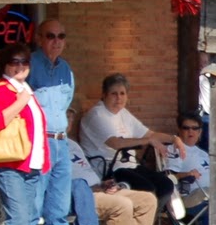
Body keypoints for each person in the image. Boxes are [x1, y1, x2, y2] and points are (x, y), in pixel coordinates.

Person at [0, 45, 72, 225]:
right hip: (10, 165)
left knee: (28, 218)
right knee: (19, 217)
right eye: (14, 62)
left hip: (30, 164)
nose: (20, 66)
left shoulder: (25, 89)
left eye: (24, 62)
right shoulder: (2, 90)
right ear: (4, 65)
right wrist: (20, 102)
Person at [79, 73, 186, 216]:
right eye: (114, 94)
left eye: (122, 93)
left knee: (166, 185)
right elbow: (116, 143)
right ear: (104, 95)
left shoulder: (123, 113)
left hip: (130, 166)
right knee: (147, 190)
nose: (119, 98)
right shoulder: (97, 115)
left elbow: (149, 134)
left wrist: (174, 138)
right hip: (110, 169)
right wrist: (148, 141)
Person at [27, 18, 79, 225]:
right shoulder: (30, 65)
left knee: (58, 209)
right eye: (50, 35)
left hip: (61, 142)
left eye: (61, 35)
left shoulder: (66, 69)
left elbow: (67, 102)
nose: (56, 40)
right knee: (33, 208)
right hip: (38, 141)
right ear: (39, 38)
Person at [70, 142, 158, 225]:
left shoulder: (73, 145)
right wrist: (94, 189)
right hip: (82, 196)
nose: (68, 121)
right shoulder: (50, 145)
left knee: (147, 200)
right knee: (122, 204)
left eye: (69, 119)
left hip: (98, 188)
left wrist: (103, 184)